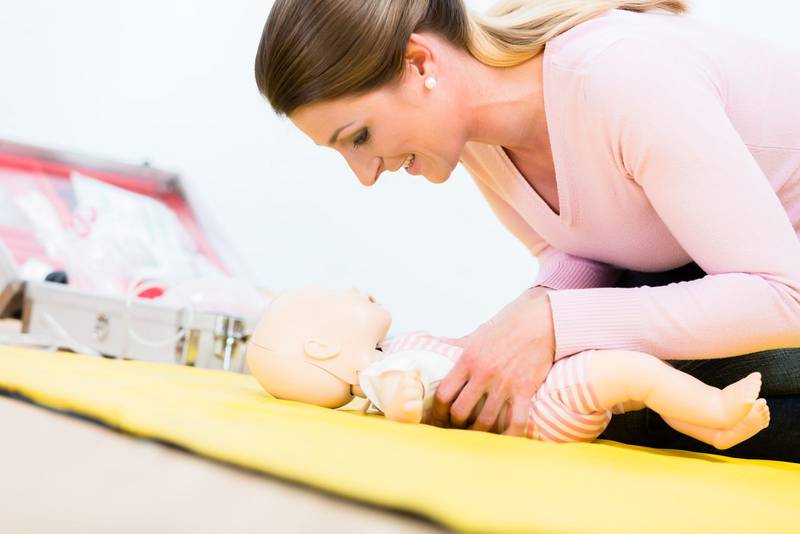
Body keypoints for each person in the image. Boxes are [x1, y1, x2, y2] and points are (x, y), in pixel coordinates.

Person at [253, 0, 800, 461]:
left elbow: (786, 296)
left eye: (359, 137)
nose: (365, 174)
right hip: (734, 279)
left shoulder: (620, 76)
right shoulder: (479, 141)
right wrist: (516, 324)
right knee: (568, 393)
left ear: (419, 63)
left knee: (637, 397)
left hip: (783, 289)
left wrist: (552, 322)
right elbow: (590, 248)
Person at [246, 287, 771, 449]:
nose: (353, 291)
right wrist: (404, 404)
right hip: (538, 408)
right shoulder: (384, 373)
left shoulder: (395, 354)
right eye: (335, 298)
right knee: (636, 372)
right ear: (321, 348)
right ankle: (713, 408)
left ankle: (712, 427)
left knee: (637, 387)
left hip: (536, 398)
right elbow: (404, 403)